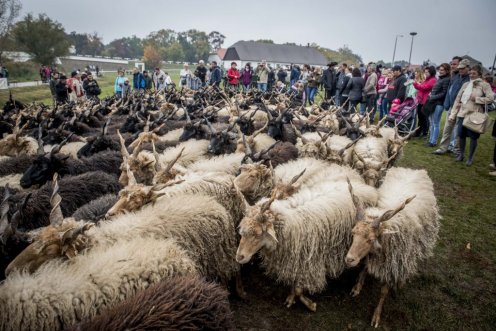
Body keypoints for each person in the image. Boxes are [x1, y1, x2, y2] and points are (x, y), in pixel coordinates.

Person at [449, 65, 494, 166]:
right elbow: (458, 98)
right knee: (461, 135)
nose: (471, 75)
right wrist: (453, 114)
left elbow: (491, 98)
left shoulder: (484, 85)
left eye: (474, 73)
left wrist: (477, 99)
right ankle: (461, 155)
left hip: (474, 115)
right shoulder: (466, 84)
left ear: (479, 74)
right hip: (462, 113)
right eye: (470, 73)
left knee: (473, 137)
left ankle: (470, 158)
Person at [434, 57, 469, 155]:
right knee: (447, 128)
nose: (453, 66)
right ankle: (443, 148)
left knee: (458, 130)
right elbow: (450, 90)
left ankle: (455, 148)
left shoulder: (469, 79)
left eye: (455, 64)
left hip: (461, 108)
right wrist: (447, 103)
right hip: (451, 107)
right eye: (452, 64)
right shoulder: (455, 76)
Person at [427, 63, 451, 147]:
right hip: (434, 102)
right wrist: (431, 94)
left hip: (439, 104)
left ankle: (433, 141)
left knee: (436, 123)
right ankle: (431, 140)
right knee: (432, 122)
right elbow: (436, 90)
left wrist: (433, 96)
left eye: (442, 70)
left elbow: (444, 93)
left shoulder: (447, 79)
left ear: (447, 71)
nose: (440, 71)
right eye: (439, 70)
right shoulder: (440, 79)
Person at [413, 66, 437, 137]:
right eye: (425, 72)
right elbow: (421, 87)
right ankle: (418, 132)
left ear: (431, 72)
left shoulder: (433, 80)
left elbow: (424, 88)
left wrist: (415, 84)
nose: (425, 73)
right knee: (420, 118)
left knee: (424, 118)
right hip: (421, 101)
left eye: (427, 72)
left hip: (425, 102)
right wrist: (417, 85)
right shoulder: (427, 79)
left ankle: (425, 133)